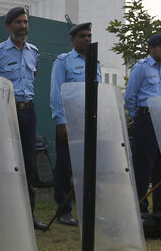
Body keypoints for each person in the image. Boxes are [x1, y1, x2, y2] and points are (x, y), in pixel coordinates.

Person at [0, 6, 47, 230]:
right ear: (8, 25)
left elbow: (33, 77)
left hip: (28, 112)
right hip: (4, 112)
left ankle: (28, 216)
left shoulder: (34, 52)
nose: (23, 26)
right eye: (18, 22)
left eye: (25, 22)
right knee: (4, 163)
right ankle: (1, 214)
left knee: (28, 164)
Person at [49, 22, 101, 226]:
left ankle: (88, 210)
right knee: (65, 167)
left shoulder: (95, 62)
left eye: (89, 35)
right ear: (73, 40)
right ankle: (64, 211)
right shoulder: (63, 61)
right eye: (82, 36)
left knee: (88, 167)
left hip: (90, 121)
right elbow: (55, 92)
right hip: (70, 121)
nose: (87, 39)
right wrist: (60, 121)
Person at [123, 33, 161, 214]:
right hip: (146, 119)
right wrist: (140, 117)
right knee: (143, 165)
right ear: (151, 49)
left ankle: (160, 208)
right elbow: (130, 97)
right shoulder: (141, 67)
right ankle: (140, 207)